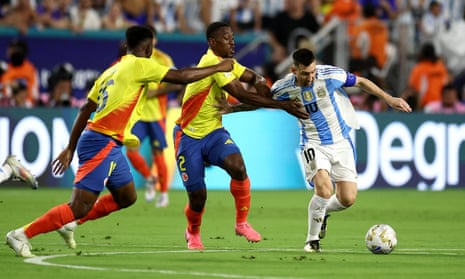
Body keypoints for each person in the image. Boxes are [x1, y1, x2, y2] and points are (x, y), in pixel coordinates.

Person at [5, 24, 234, 258]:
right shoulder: (140, 65)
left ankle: (69, 223)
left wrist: (71, 147)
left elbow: (86, 108)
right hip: (101, 142)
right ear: (148, 47)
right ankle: (22, 234)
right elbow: (182, 77)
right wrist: (219, 67)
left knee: (127, 197)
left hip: (108, 143)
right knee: (78, 206)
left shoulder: (110, 71)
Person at [174, 21, 308, 250]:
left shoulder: (228, 64)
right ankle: (193, 232)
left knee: (238, 167)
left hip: (214, 132)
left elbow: (251, 76)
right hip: (188, 136)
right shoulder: (211, 63)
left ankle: (241, 223)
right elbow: (240, 95)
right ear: (212, 43)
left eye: (232, 37)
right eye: (226, 38)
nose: (232, 41)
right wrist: (281, 104)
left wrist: (259, 82)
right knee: (198, 196)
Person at [270, 48, 411, 252]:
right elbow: (262, 100)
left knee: (347, 198)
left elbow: (361, 82)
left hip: (341, 142)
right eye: (304, 74)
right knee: (324, 189)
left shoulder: (329, 75)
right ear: (294, 70)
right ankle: (312, 240)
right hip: (313, 143)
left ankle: (323, 212)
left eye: (312, 72)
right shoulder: (282, 88)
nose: (310, 77)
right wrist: (233, 108)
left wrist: (389, 99)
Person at [126, 25, 182, 207]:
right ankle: (149, 178)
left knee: (158, 154)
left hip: (157, 114)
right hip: (138, 115)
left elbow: (176, 84)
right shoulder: (132, 59)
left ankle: (164, 193)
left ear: (155, 40)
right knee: (131, 151)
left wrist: (154, 94)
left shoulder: (163, 59)